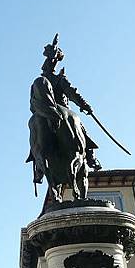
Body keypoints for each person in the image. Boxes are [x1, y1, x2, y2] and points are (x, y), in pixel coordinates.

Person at [26, 34, 101, 201]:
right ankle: (90, 155)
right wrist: (84, 106)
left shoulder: (37, 83)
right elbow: (72, 94)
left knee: (35, 128)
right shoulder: (59, 79)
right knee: (81, 129)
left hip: (42, 114)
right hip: (62, 111)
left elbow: (33, 105)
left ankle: (38, 166)